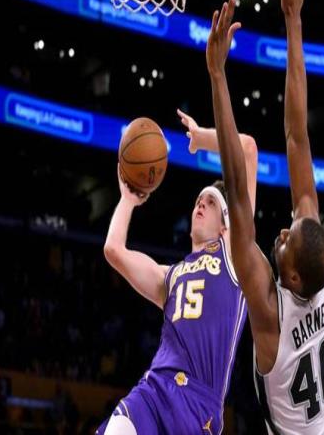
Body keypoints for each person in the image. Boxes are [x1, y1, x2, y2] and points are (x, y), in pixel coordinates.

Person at [206, 0, 324, 434]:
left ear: (295, 277)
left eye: (286, 240)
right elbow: (297, 137)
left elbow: (237, 190)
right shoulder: (316, 282)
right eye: (292, 230)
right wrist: (293, 19)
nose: (283, 232)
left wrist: (217, 75)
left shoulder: (272, 315)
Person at [96, 111, 258, 435]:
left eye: (210, 202)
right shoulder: (170, 276)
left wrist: (201, 140)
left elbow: (248, 149)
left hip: (197, 404)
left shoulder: (234, 256)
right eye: (199, 200)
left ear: (226, 224)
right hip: (154, 388)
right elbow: (113, 250)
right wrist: (127, 200)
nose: (200, 204)